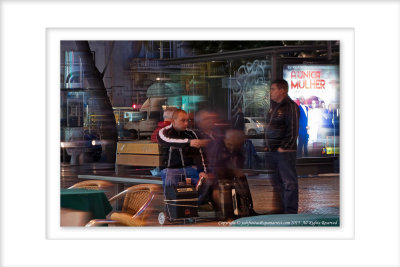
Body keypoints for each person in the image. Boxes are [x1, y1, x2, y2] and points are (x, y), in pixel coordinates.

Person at [157, 109, 212, 205]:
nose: (186, 123)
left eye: (188, 120)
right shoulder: (163, 132)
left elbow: (198, 154)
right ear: (173, 121)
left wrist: (202, 171)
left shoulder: (191, 133)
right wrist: (188, 142)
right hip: (170, 169)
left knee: (206, 182)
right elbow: (169, 141)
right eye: (183, 120)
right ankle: (172, 209)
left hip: (189, 169)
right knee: (171, 181)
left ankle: (192, 206)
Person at [264, 79, 300, 214]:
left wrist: (284, 147)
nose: (270, 92)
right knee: (277, 182)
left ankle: (289, 212)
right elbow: (271, 128)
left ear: (282, 90)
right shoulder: (274, 107)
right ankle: (280, 211)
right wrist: (269, 146)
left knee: (288, 183)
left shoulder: (290, 106)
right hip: (274, 151)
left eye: (273, 89)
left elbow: (293, 128)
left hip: (284, 152)